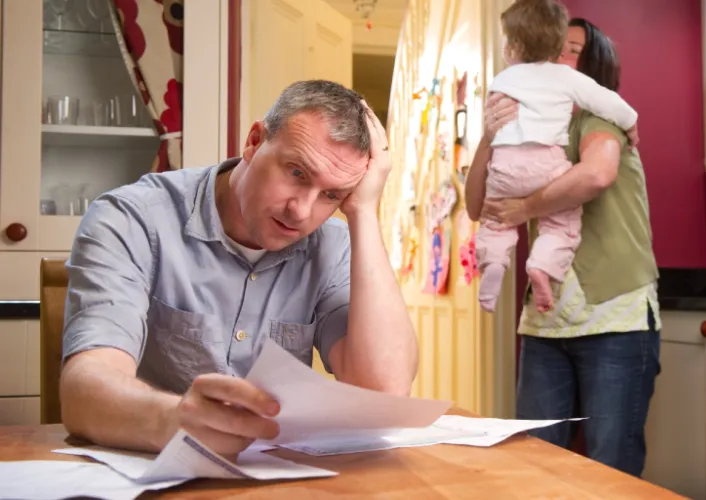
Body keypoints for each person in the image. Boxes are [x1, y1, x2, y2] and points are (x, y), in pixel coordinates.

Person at [59, 80, 419, 459]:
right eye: (296, 172)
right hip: (150, 468)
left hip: (280, 477)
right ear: (253, 141)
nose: (300, 210)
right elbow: (84, 391)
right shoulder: (131, 219)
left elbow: (384, 392)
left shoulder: (333, 245)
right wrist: (174, 421)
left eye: (332, 194)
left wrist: (362, 213)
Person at [464, 18, 661, 478]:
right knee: (535, 464)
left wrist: (524, 207)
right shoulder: (534, 126)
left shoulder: (600, 119)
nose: (555, 57)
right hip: (547, 325)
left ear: (589, 66)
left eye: (569, 50)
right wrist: (488, 136)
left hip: (614, 316)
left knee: (609, 469)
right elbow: (478, 206)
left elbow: (596, 173)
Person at [475, 0, 639, 314]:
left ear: (513, 46)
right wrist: (631, 123)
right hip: (545, 161)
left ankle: (494, 262)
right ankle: (543, 266)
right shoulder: (566, 79)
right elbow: (609, 102)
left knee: (494, 224)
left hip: (504, 166)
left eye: (575, 50)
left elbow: (479, 206)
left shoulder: (502, 79)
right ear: (554, 48)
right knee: (562, 222)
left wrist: (519, 206)